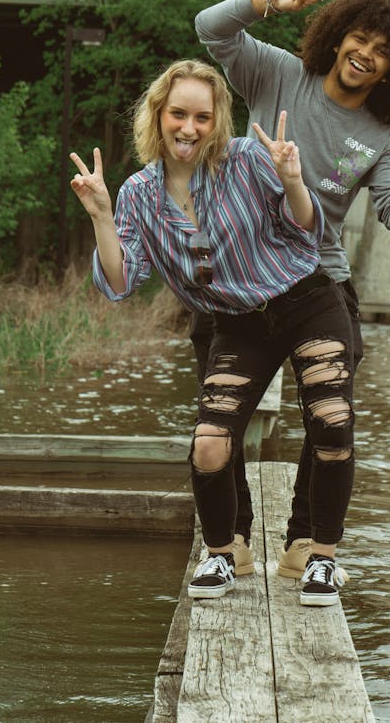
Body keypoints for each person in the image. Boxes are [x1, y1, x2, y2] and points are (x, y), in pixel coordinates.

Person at [194, 0, 390, 579]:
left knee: (330, 416)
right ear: (337, 39)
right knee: (219, 424)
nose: (366, 55)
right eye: (360, 39)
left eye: (382, 54)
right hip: (238, 281)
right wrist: (270, 1)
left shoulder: (381, 139)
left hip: (317, 284)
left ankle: (307, 543)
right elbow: (210, 28)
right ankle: (233, 544)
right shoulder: (277, 74)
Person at [70, 58, 357, 607]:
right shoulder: (136, 194)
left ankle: (322, 558)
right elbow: (120, 280)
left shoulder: (249, 159)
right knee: (209, 442)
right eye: (178, 114)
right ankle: (225, 555)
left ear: (217, 119)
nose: (189, 128)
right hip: (237, 320)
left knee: (331, 420)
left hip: (306, 301)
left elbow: (307, 227)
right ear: (158, 116)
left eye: (202, 117)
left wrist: (294, 180)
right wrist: (102, 217)